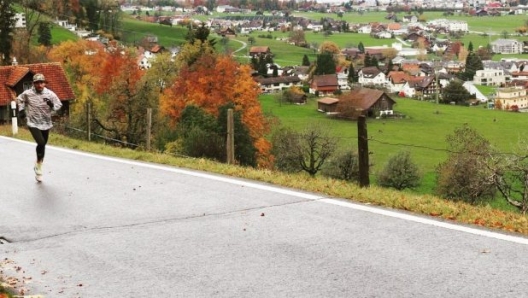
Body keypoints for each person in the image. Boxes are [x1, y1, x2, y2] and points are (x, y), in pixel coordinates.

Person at [17, 73, 63, 182]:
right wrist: (21, 110)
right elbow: (19, 99)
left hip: (46, 123)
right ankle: (39, 168)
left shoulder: (50, 94)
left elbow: (59, 105)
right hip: (33, 122)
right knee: (41, 142)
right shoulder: (28, 93)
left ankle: (38, 165)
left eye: (41, 83)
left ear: (44, 83)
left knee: (43, 145)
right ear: (34, 83)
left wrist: (52, 105)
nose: (40, 85)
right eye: (37, 83)